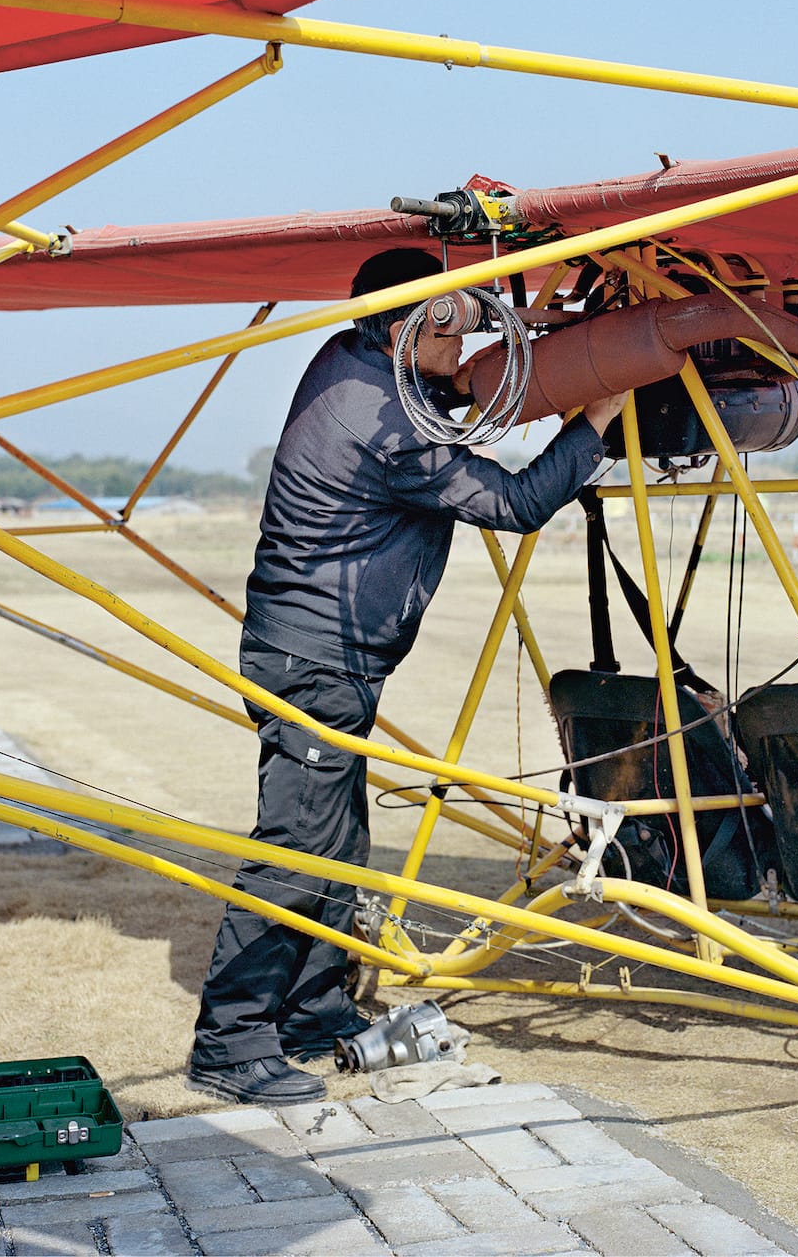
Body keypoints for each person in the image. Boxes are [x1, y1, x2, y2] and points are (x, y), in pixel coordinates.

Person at [189, 247, 626, 1103]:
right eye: (448, 324)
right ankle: (230, 1040)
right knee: (296, 848)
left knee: (340, 848)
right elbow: (516, 503)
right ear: (400, 330)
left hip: (324, 654)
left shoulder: (357, 362)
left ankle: (312, 1012)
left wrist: (532, 330)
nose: (463, 344)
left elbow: (448, 394)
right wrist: (596, 412)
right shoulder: (378, 417)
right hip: (313, 660)